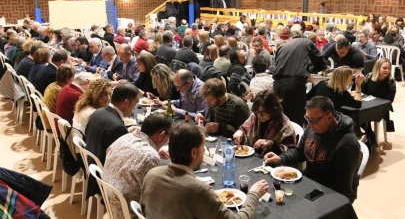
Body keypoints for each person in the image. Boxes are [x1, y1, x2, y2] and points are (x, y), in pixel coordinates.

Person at [140, 124, 269, 219]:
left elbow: (143, 209)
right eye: (203, 147)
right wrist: (254, 195)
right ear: (194, 152)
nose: (205, 151)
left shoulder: (151, 174)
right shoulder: (198, 190)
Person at [264, 96, 360, 202]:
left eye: (313, 120)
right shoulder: (313, 127)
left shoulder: (347, 144)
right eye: (307, 119)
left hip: (329, 194)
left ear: (329, 116)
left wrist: (312, 198)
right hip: (310, 183)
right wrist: (280, 158)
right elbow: (299, 152)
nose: (309, 124)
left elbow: (343, 188)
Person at [103, 114, 172, 218]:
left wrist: (155, 152)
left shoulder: (126, 137)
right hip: (127, 212)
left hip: (109, 200)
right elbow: (152, 197)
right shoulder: (150, 157)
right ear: (161, 135)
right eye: (169, 135)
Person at [271, 30, 327, 125]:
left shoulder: (283, 46)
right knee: (296, 120)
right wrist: (314, 69)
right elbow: (320, 61)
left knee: (279, 118)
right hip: (294, 85)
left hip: (277, 85)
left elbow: (275, 66)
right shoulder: (307, 42)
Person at [233, 89, 296, 155]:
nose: (260, 115)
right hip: (255, 157)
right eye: (257, 111)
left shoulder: (283, 124)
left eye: (264, 112)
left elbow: (291, 152)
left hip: (272, 162)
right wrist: (240, 132)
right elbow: (244, 128)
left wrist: (271, 144)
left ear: (273, 110)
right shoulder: (255, 115)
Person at [361, 58, 396, 146]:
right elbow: (362, 92)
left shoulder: (391, 81)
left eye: (389, 68)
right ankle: (370, 133)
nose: (387, 70)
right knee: (358, 115)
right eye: (384, 68)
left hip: (382, 108)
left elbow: (389, 100)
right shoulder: (369, 77)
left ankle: (370, 135)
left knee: (364, 115)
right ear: (378, 68)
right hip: (368, 105)